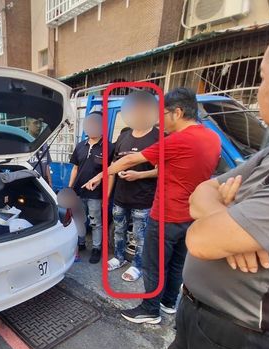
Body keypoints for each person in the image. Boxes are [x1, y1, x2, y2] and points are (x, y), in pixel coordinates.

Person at [126, 19, 269, 349]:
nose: (256, 90)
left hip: (244, 334)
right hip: (200, 307)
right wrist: (222, 215)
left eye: (259, 78)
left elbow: (202, 239)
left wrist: (219, 218)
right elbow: (207, 191)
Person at [84, 87, 220, 323]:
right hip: (191, 214)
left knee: (153, 264)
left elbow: (130, 159)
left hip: (167, 214)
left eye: (163, 113)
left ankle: (149, 309)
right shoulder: (211, 137)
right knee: (177, 262)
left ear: (177, 112)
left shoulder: (178, 140)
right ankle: (168, 303)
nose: (160, 119)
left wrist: (98, 176)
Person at [107, 90, 159, 282]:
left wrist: (139, 175)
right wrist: (108, 194)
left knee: (140, 235)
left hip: (143, 199)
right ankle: (119, 258)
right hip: (120, 197)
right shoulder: (123, 136)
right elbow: (113, 166)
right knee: (119, 230)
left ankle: (138, 265)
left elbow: (163, 170)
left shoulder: (158, 137)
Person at [69, 111, 114, 264]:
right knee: (79, 220)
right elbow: (75, 169)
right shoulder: (80, 146)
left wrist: (106, 197)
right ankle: (81, 244)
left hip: (96, 194)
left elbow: (110, 173)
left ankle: (96, 248)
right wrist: (70, 189)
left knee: (95, 222)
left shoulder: (109, 147)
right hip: (78, 192)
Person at [27, 118, 53, 187]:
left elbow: (46, 164)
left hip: (43, 184)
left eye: (40, 123)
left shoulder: (44, 143)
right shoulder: (24, 143)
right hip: (30, 184)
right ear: (28, 124)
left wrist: (50, 183)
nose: (39, 126)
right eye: (35, 123)